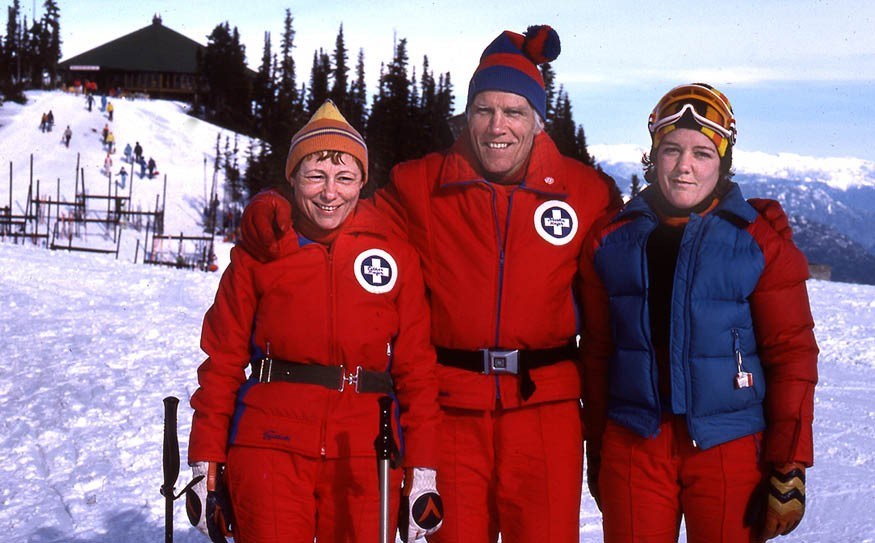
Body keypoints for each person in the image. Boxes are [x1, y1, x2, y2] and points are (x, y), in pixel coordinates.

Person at [240, 25, 622, 543]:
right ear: (466, 116)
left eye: (513, 112)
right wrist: (277, 205)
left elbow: (620, 291)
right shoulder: (423, 184)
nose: (497, 127)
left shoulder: (587, 193)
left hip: (545, 411)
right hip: (453, 408)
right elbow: (344, 216)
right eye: (484, 110)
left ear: (538, 120)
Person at [187, 100, 444, 543]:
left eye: (345, 178)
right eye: (315, 176)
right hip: (269, 442)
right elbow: (223, 359)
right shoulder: (259, 252)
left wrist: (423, 465)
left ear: (362, 181)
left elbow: (416, 369)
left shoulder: (394, 254)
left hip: (367, 450)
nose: (330, 193)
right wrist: (206, 453)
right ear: (292, 178)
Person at [579, 83, 819, 543]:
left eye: (702, 153)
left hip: (727, 445)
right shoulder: (611, 240)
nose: (684, 166)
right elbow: (597, 355)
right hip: (635, 441)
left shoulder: (757, 241)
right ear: (654, 155)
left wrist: (789, 463)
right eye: (671, 150)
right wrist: (598, 446)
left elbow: (792, 354)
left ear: (723, 161)